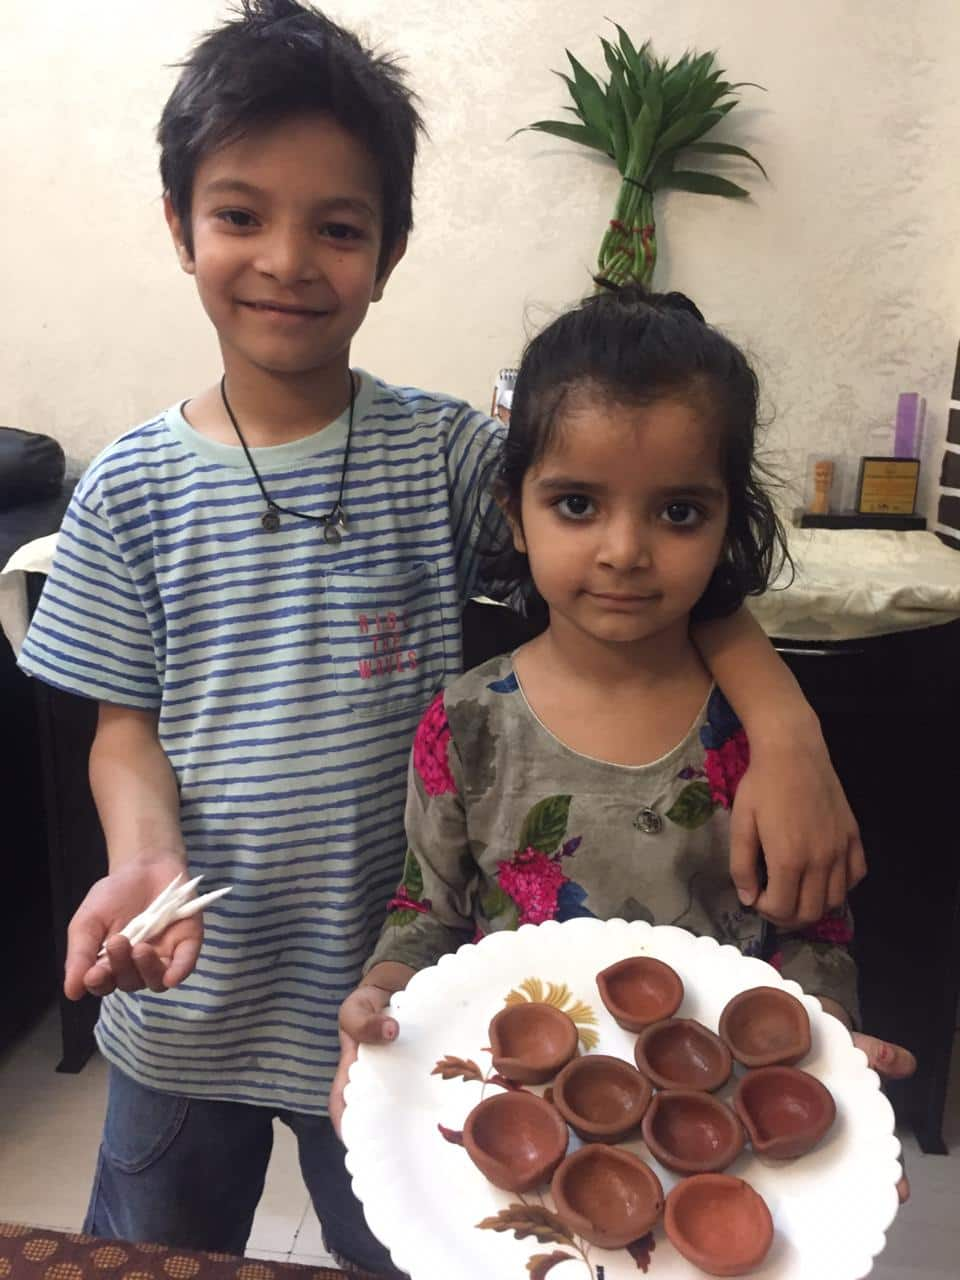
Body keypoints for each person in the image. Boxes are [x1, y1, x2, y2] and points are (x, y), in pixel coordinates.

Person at [17, 2, 870, 1272]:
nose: (287, 259)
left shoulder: (456, 457)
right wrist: (144, 858)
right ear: (178, 225)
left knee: (420, 1245)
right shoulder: (128, 489)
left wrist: (788, 727)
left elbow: (647, 568)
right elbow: (124, 728)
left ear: (392, 246)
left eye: (339, 225)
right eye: (241, 214)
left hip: (404, 1006)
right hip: (189, 1000)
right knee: (152, 1247)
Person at [336, 287, 915, 1206]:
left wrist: (829, 1034)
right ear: (514, 512)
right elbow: (428, 907)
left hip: (716, 1136)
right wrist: (384, 993)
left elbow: (814, 931)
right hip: (519, 1132)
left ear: (730, 522)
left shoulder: (759, 739)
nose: (624, 550)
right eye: (576, 503)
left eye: (679, 512)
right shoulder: (469, 723)